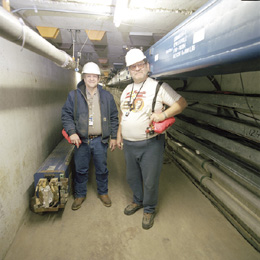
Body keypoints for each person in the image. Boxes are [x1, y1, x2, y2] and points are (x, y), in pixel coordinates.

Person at [117, 48, 187, 229]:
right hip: (129, 144)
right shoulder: (126, 89)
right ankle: (137, 201)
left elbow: (181, 103)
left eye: (140, 65)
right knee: (132, 177)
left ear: (147, 66)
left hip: (150, 143)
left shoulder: (158, 86)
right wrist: (119, 134)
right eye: (133, 66)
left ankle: (149, 209)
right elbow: (123, 115)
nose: (137, 69)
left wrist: (163, 116)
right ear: (129, 70)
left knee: (149, 180)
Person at [62, 62, 118, 210]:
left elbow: (113, 117)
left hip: (100, 140)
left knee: (101, 168)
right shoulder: (74, 95)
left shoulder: (107, 96)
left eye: (95, 76)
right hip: (82, 140)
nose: (92, 79)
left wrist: (113, 136)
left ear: (99, 78)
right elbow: (66, 115)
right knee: (80, 169)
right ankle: (80, 194)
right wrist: (72, 132)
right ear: (84, 77)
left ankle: (103, 192)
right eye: (89, 76)